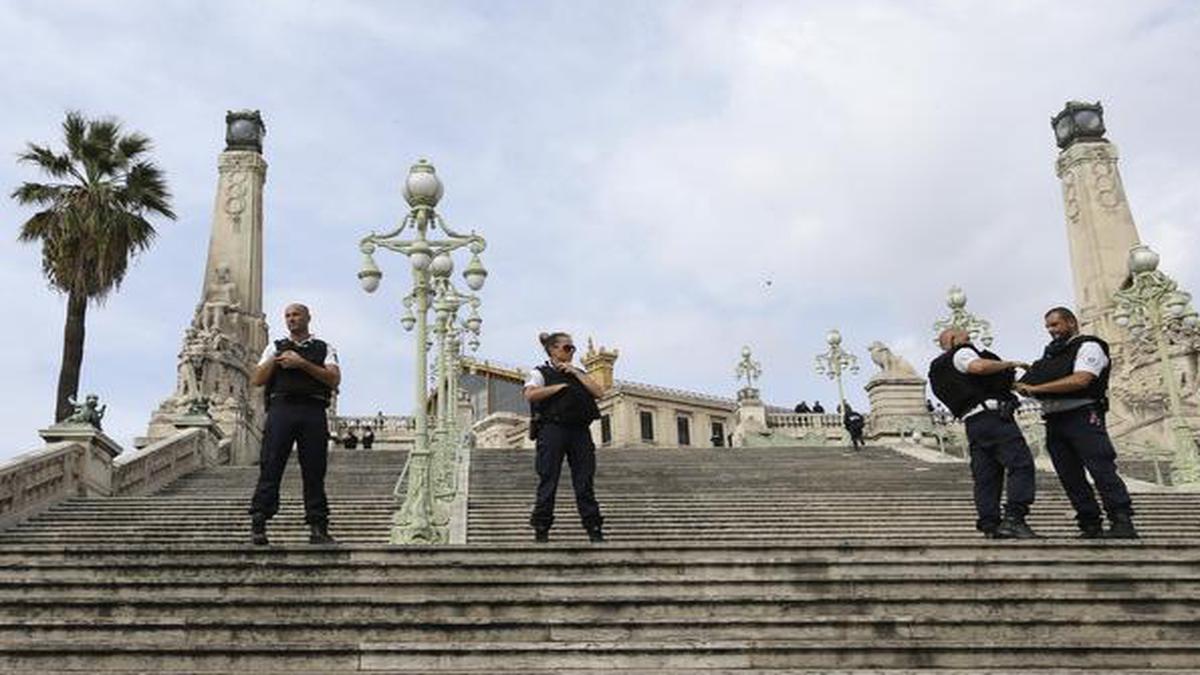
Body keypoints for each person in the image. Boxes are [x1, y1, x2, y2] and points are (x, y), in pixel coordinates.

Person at [1017, 307, 1137, 539]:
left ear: (1071, 323)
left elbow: (1082, 379)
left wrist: (1036, 388)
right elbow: (1027, 387)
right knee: (1069, 475)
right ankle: (1089, 522)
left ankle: (1122, 519)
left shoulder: (1089, 346)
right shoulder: (1050, 356)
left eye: (1055, 325)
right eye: (1048, 327)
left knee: (1101, 469)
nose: (1051, 331)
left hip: (1083, 415)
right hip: (1054, 420)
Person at [928, 328, 1039, 539]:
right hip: (994, 419)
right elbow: (977, 367)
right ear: (952, 340)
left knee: (987, 476)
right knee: (1021, 464)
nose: (972, 343)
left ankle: (990, 524)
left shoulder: (938, 369)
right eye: (967, 339)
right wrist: (1010, 363)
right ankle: (1015, 518)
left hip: (973, 423)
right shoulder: (961, 353)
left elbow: (975, 382)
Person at [248, 303, 341, 546]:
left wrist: (302, 364)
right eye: (288, 316)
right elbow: (257, 379)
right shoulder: (275, 347)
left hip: (313, 409)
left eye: (296, 314)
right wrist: (277, 359)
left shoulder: (324, 348)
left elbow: (333, 378)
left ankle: (318, 526)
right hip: (282, 409)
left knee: (314, 469)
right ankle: (259, 521)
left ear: (308, 317)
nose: (291, 319)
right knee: (271, 464)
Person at [524, 331, 606, 543]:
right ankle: (541, 528)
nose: (571, 351)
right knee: (548, 479)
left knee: (585, 481)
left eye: (573, 348)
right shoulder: (539, 372)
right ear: (553, 349)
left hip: (579, 431)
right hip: (552, 429)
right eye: (567, 347)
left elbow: (599, 393)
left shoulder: (578, 372)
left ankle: (594, 528)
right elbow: (530, 394)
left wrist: (575, 374)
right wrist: (558, 387)